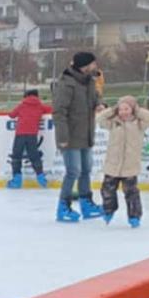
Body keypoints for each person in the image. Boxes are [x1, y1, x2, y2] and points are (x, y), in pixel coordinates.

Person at [52, 52, 103, 223]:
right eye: (93, 63)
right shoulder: (66, 84)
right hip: (70, 135)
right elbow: (59, 112)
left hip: (86, 134)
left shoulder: (89, 81)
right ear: (84, 65)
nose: (95, 66)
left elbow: (95, 99)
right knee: (73, 171)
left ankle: (86, 203)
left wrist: (99, 104)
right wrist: (62, 137)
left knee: (86, 170)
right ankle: (63, 207)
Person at [95, 96, 149, 227]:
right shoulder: (114, 122)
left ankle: (134, 216)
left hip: (130, 165)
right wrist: (112, 110)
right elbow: (99, 118)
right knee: (107, 189)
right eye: (121, 109)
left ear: (133, 109)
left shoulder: (139, 124)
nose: (123, 112)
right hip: (112, 164)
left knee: (131, 192)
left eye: (126, 109)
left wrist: (138, 111)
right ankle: (108, 210)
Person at [5, 89, 52, 189]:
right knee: (34, 156)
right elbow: (51, 110)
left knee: (16, 156)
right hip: (32, 135)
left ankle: (17, 180)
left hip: (20, 134)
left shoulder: (22, 105)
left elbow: (12, 115)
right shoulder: (40, 106)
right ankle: (41, 178)